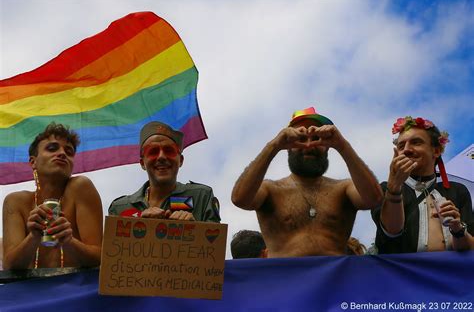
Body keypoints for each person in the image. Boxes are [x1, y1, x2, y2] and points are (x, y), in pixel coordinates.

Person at [231, 107, 383, 257]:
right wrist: (273, 145)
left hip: (335, 280)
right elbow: (240, 199)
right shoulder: (270, 190)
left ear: (327, 147)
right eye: (300, 139)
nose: (309, 145)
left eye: (316, 138)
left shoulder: (344, 188)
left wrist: (342, 145)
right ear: (288, 147)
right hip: (285, 279)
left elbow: (374, 199)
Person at [2, 123, 103, 269]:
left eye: (69, 151)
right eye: (52, 148)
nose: (62, 153)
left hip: (78, 288)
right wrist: (33, 237)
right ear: (33, 162)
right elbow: (9, 265)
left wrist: (69, 242)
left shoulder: (81, 187)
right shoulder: (15, 202)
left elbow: (100, 257)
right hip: (31, 289)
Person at [371, 116, 474, 253]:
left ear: (436, 151)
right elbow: (391, 231)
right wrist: (394, 188)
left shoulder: (457, 191)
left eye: (416, 142)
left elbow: (470, 249)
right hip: (399, 273)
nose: (406, 149)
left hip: (449, 273)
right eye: (401, 146)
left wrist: (458, 230)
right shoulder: (384, 188)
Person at [109, 121, 220, 222]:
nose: (161, 156)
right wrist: (139, 225)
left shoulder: (201, 197)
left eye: (169, 150)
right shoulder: (120, 208)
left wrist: (194, 230)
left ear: (180, 160)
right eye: (153, 151)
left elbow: (215, 243)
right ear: (142, 163)